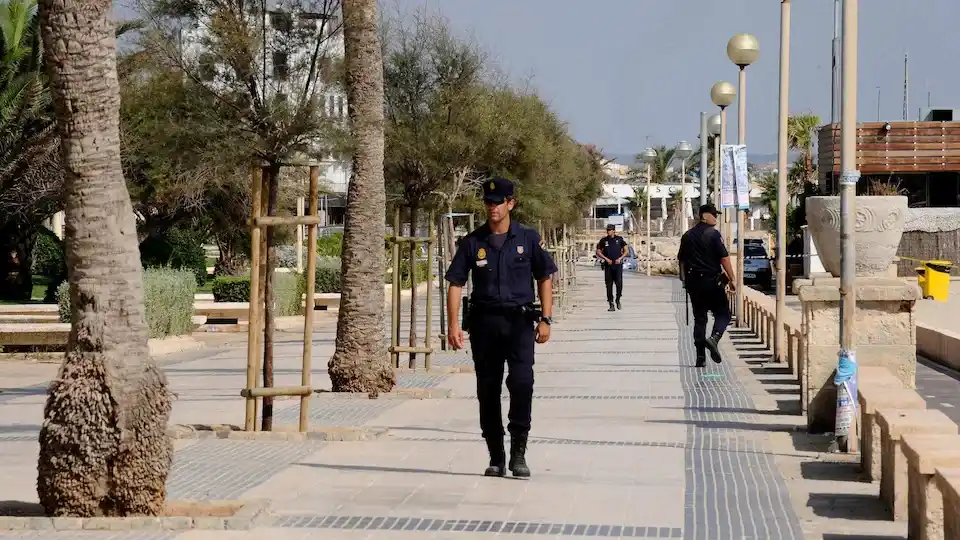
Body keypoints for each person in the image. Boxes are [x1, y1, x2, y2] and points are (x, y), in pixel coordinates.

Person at [444, 177, 557, 478]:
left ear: (511, 204)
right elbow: (455, 282)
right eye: (489, 203)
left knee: (522, 384)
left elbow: (545, 276)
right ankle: (496, 455)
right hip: (485, 325)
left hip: (519, 324)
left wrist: (546, 318)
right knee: (488, 390)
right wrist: (453, 325)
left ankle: (519, 452)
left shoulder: (528, 238)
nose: (493, 208)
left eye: (499, 202)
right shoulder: (472, 242)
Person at [677, 204, 736, 368]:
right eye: (713, 215)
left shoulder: (687, 236)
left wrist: (684, 281)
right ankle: (715, 337)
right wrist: (732, 279)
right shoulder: (713, 235)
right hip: (712, 282)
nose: (715, 218)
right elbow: (724, 258)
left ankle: (700, 357)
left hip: (694, 283)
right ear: (704, 215)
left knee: (700, 319)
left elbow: (681, 260)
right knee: (723, 313)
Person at [596, 224, 628, 311]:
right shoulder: (604, 240)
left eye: (610, 230)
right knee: (609, 285)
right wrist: (605, 259)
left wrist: (620, 258)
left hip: (617, 265)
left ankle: (618, 299)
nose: (608, 231)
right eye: (608, 230)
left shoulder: (619, 239)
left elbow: (626, 250)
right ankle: (611, 303)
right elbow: (598, 251)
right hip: (608, 266)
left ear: (614, 230)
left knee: (619, 283)